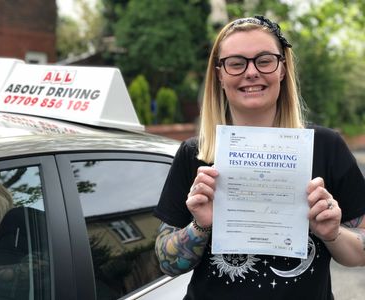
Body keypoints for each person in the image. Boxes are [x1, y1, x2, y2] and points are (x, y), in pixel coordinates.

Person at [154, 15, 365, 300]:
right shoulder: (195, 154)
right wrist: (200, 226)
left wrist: (332, 234)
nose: (251, 72)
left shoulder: (326, 146)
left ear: (282, 69)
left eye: (264, 60)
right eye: (236, 63)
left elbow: (360, 253)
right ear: (220, 74)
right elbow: (166, 262)